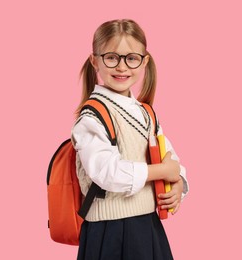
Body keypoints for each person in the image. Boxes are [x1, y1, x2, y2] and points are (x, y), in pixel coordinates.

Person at [71, 19, 189, 260]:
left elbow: (170, 160)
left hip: (148, 227)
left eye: (131, 58)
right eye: (111, 57)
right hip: (108, 232)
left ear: (144, 61)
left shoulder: (147, 113)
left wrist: (177, 182)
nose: (122, 67)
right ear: (95, 61)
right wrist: (164, 171)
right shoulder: (92, 117)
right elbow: (108, 173)